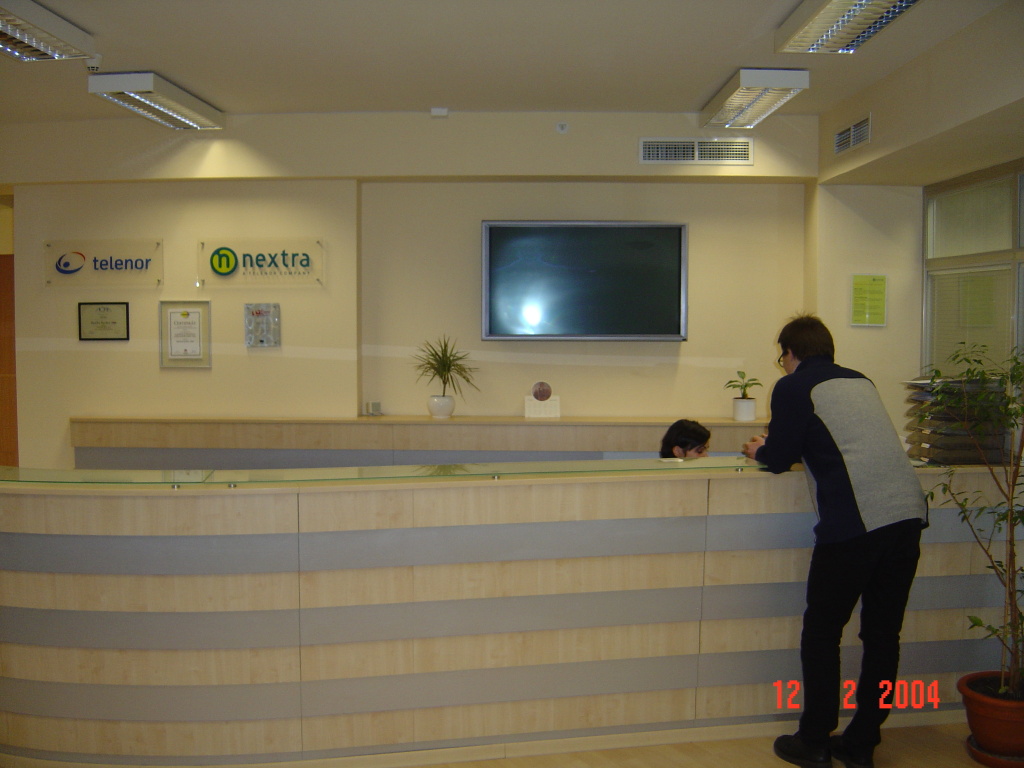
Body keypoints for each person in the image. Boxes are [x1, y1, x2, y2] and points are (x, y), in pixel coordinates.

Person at [741, 315, 927, 768]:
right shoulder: (860, 380)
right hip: (907, 515)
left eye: (782, 358)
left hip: (856, 523)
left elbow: (780, 457)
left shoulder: (793, 386)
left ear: (790, 353)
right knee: (883, 635)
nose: (783, 365)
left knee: (823, 632)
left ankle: (814, 739)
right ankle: (862, 743)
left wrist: (758, 449)